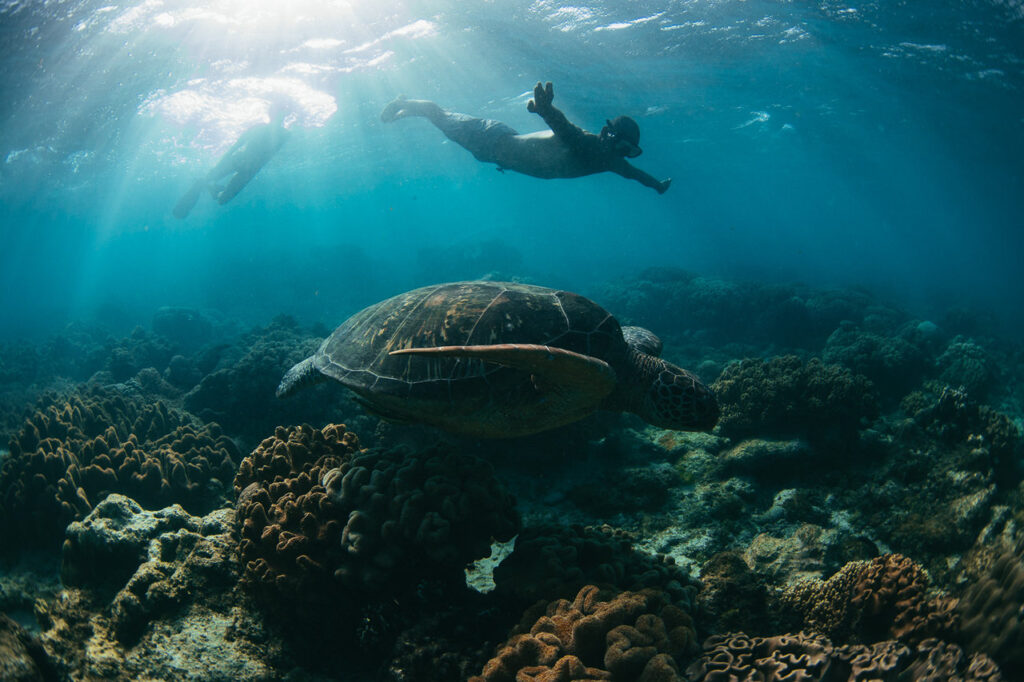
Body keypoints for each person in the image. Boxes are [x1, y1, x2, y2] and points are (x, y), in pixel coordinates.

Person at [380, 81, 671, 194]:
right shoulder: (586, 143)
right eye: (621, 146)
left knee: (439, 121)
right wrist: (546, 109)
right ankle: (404, 102)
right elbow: (564, 128)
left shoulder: (612, 162)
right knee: (437, 114)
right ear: (608, 136)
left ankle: (404, 111)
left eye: (629, 151)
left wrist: (657, 185)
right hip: (491, 138)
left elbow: (637, 175)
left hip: (493, 152)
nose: (623, 154)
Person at [173, 105, 289, 219]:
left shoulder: (284, 135)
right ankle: (204, 190)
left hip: (248, 170)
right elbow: (236, 146)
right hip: (239, 161)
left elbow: (272, 156)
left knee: (222, 200)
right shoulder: (261, 129)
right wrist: (220, 164)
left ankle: (211, 189)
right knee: (206, 181)